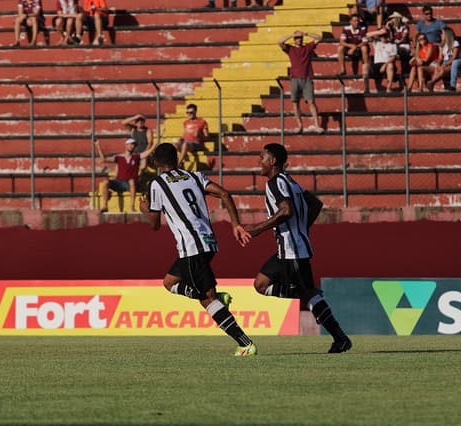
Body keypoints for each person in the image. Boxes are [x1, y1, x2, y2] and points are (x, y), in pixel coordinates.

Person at [139, 143, 257, 357]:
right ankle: (215, 294)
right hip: (209, 242)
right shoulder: (194, 176)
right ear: (176, 158)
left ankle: (245, 343)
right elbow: (223, 193)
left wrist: (144, 209)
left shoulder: (157, 184)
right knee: (169, 282)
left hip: (191, 247)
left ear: (156, 162)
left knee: (206, 299)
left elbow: (154, 224)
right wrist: (235, 225)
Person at [244, 143, 352, 354]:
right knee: (260, 284)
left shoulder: (275, 183)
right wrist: (302, 228)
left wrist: (257, 228)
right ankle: (309, 295)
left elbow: (285, 211)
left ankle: (340, 338)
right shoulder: (291, 182)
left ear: (273, 161)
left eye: (262, 157)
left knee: (308, 295)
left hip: (291, 249)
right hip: (290, 247)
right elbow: (316, 204)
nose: (259, 161)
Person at [278, 30, 323, 134]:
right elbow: (280, 42)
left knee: (311, 102)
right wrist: (291, 35)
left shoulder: (307, 47)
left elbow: (319, 38)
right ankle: (299, 125)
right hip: (294, 78)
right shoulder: (290, 49)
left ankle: (316, 124)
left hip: (307, 78)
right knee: (295, 103)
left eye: (300, 38)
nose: (299, 39)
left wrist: (307, 33)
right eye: (297, 38)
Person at [95, 137, 154, 212]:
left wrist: (153, 146)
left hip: (130, 184)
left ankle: (132, 206)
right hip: (119, 182)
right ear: (126, 145)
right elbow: (104, 159)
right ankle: (105, 206)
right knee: (105, 182)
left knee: (132, 181)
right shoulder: (119, 157)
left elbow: (146, 154)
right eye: (131, 144)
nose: (132, 146)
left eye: (134, 145)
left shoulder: (136, 157)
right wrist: (98, 146)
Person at [337, 14, 370, 92]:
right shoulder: (346, 29)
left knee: (364, 48)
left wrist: (355, 47)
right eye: (355, 21)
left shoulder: (363, 28)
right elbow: (342, 41)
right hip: (349, 48)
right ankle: (343, 70)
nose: (357, 22)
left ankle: (365, 69)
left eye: (358, 21)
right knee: (340, 48)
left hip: (359, 48)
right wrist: (351, 47)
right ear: (350, 22)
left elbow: (364, 42)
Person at [365, 27, 398, 92]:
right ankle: (366, 89)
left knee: (390, 65)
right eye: (382, 36)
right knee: (365, 66)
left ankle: (389, 87)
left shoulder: (392, 45)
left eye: (385, 36)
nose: (383, 37)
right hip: (377, 64)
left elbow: (393, 57)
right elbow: (367, 35)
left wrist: (385, 65)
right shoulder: (376, 43)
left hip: (387, 64)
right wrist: (379, 32)